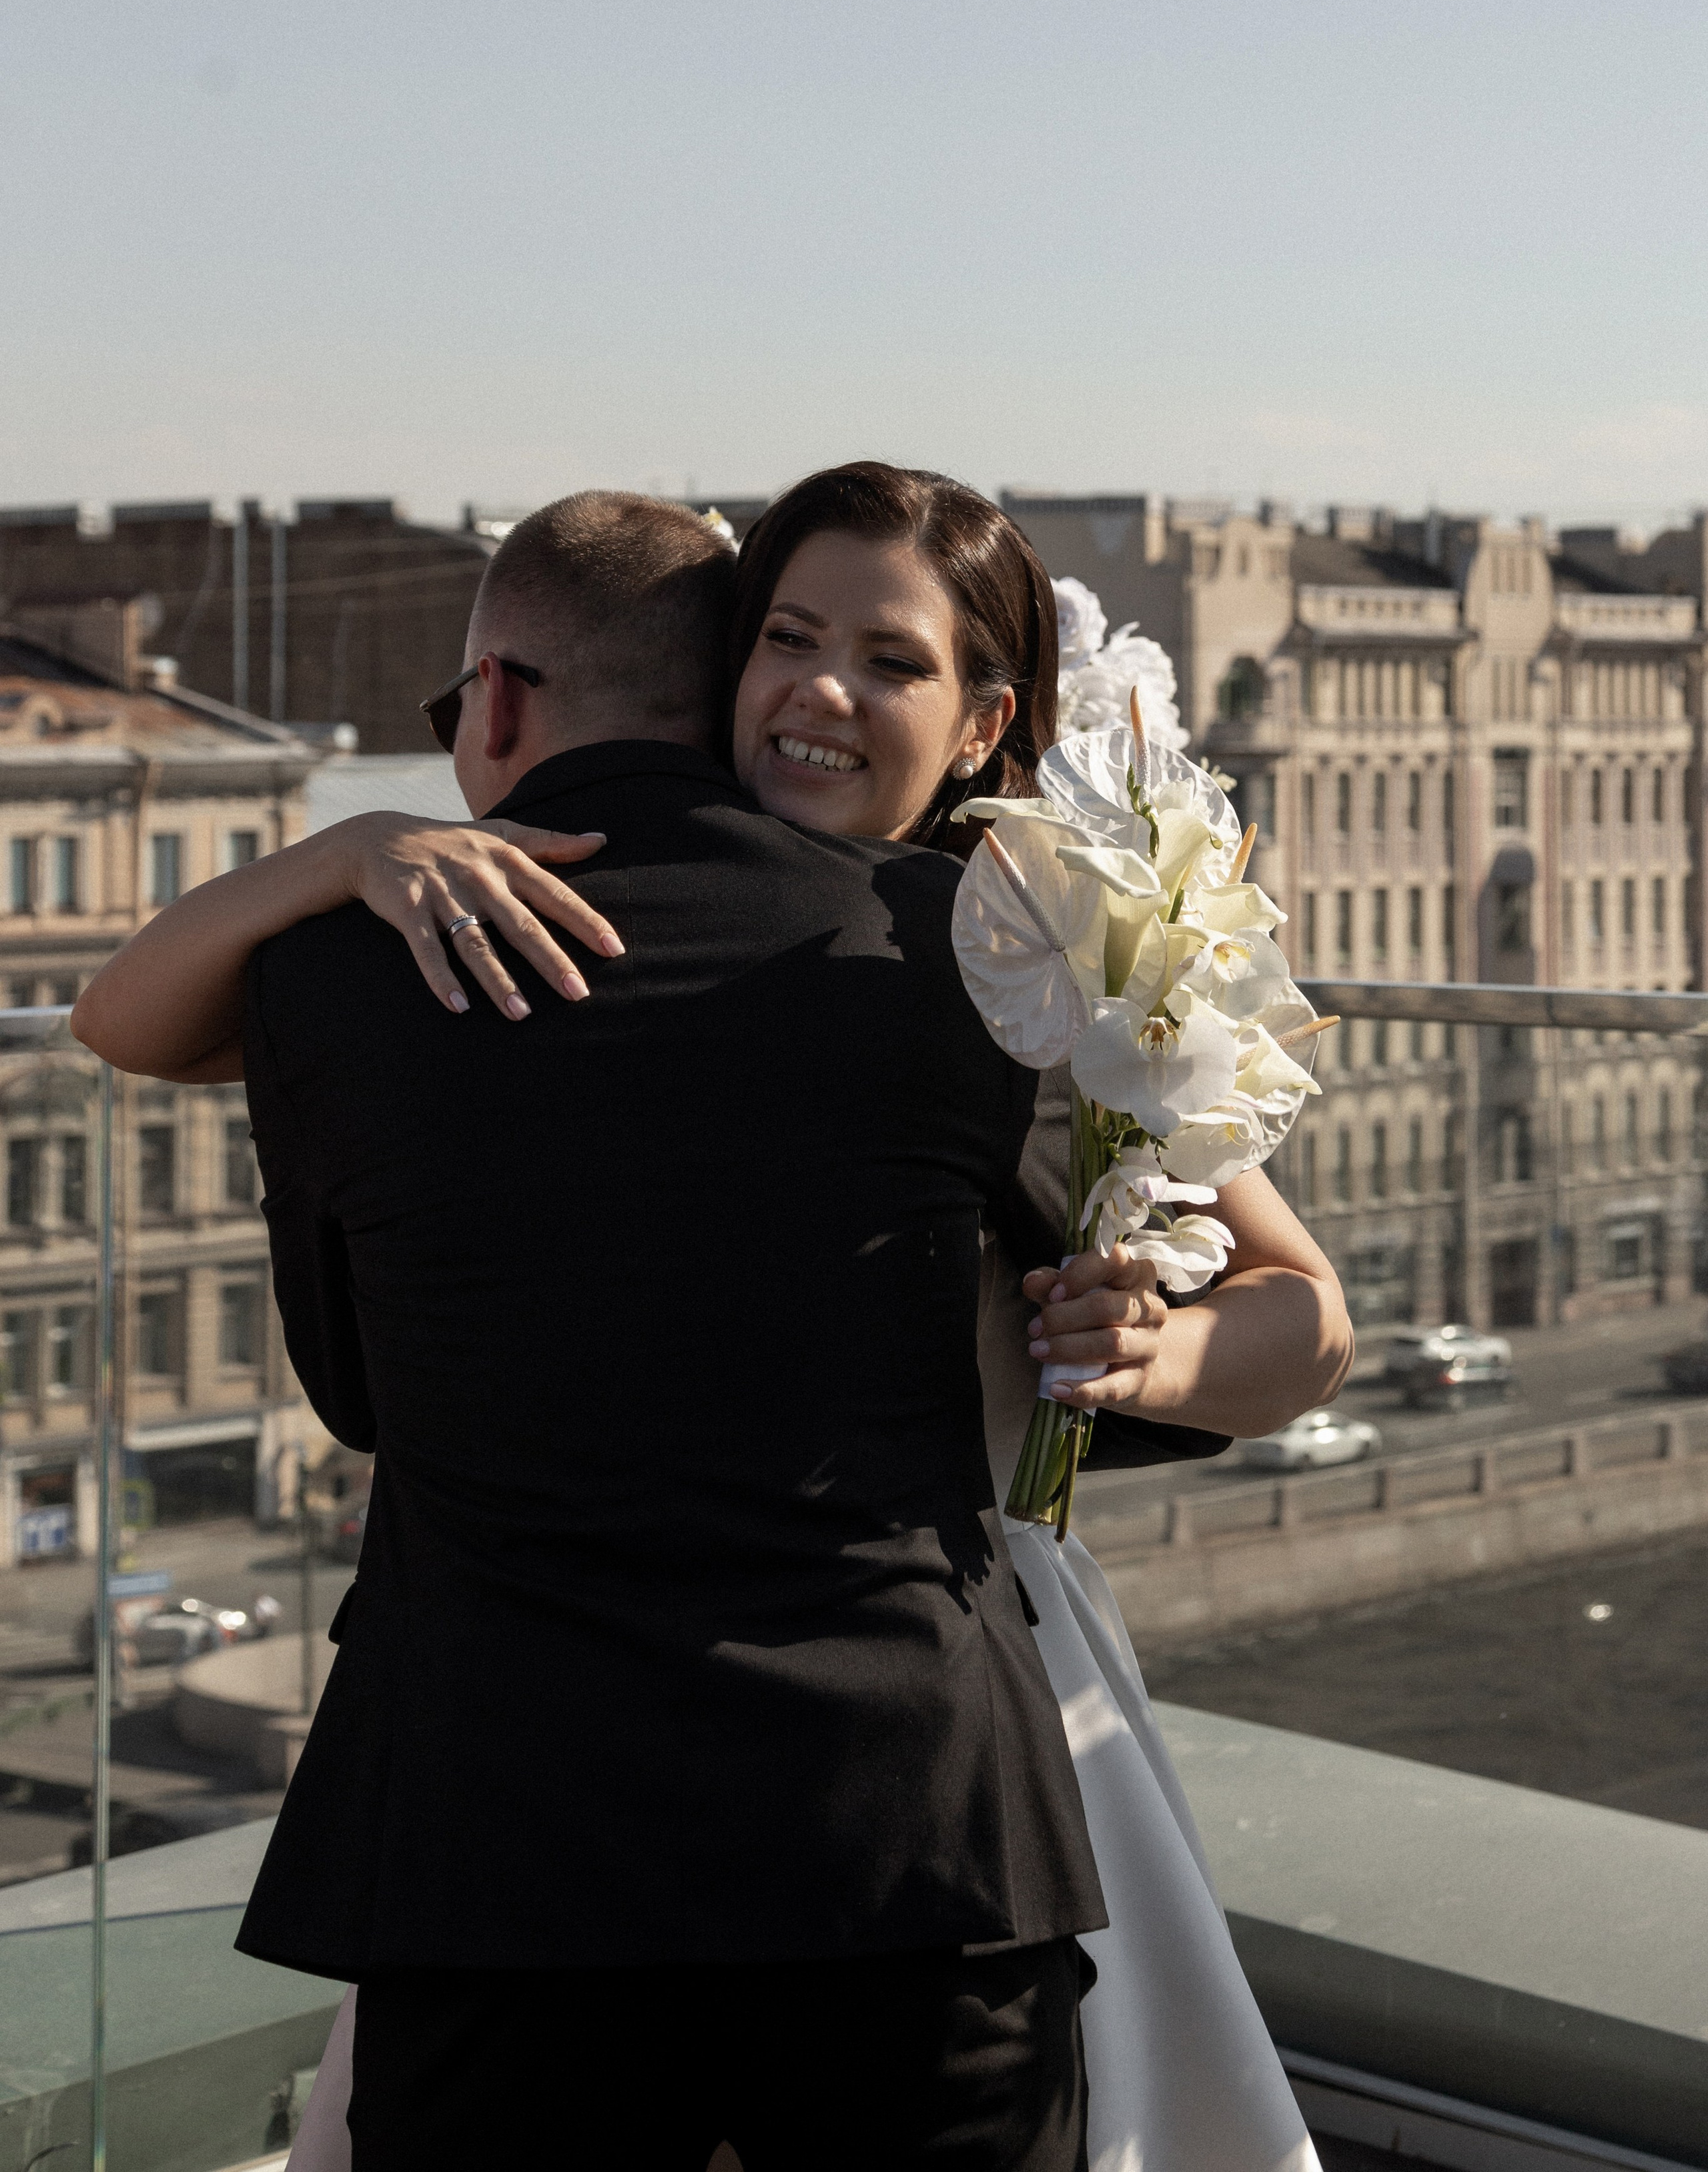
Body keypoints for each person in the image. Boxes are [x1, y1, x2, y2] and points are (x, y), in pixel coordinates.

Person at [75, 466, 1348, 2172]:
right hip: (903, 1820)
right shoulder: (983, 967)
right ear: (720, 671)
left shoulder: (354, 966)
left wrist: (344, 859)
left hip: (499, 1842)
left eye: (885, 662)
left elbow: (165, 1088)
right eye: (788, 641)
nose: (819, 693)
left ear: (985, 724)